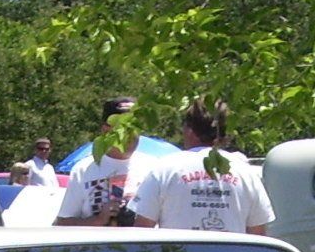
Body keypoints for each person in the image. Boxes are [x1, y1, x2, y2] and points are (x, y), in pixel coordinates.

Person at [131, 98, 274, 234]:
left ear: (189, 130)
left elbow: (142, 230)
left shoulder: (164, 169)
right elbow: (258, 233)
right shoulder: (246, 173)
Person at [58, 98, 151, 227]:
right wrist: (98, 220)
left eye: (135, 126)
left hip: (141, 246)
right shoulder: (84, 169)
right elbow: (62, 223)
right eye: (124, 127)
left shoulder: (153, 168)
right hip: (98, 246)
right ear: (106, 129)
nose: (131, 133)